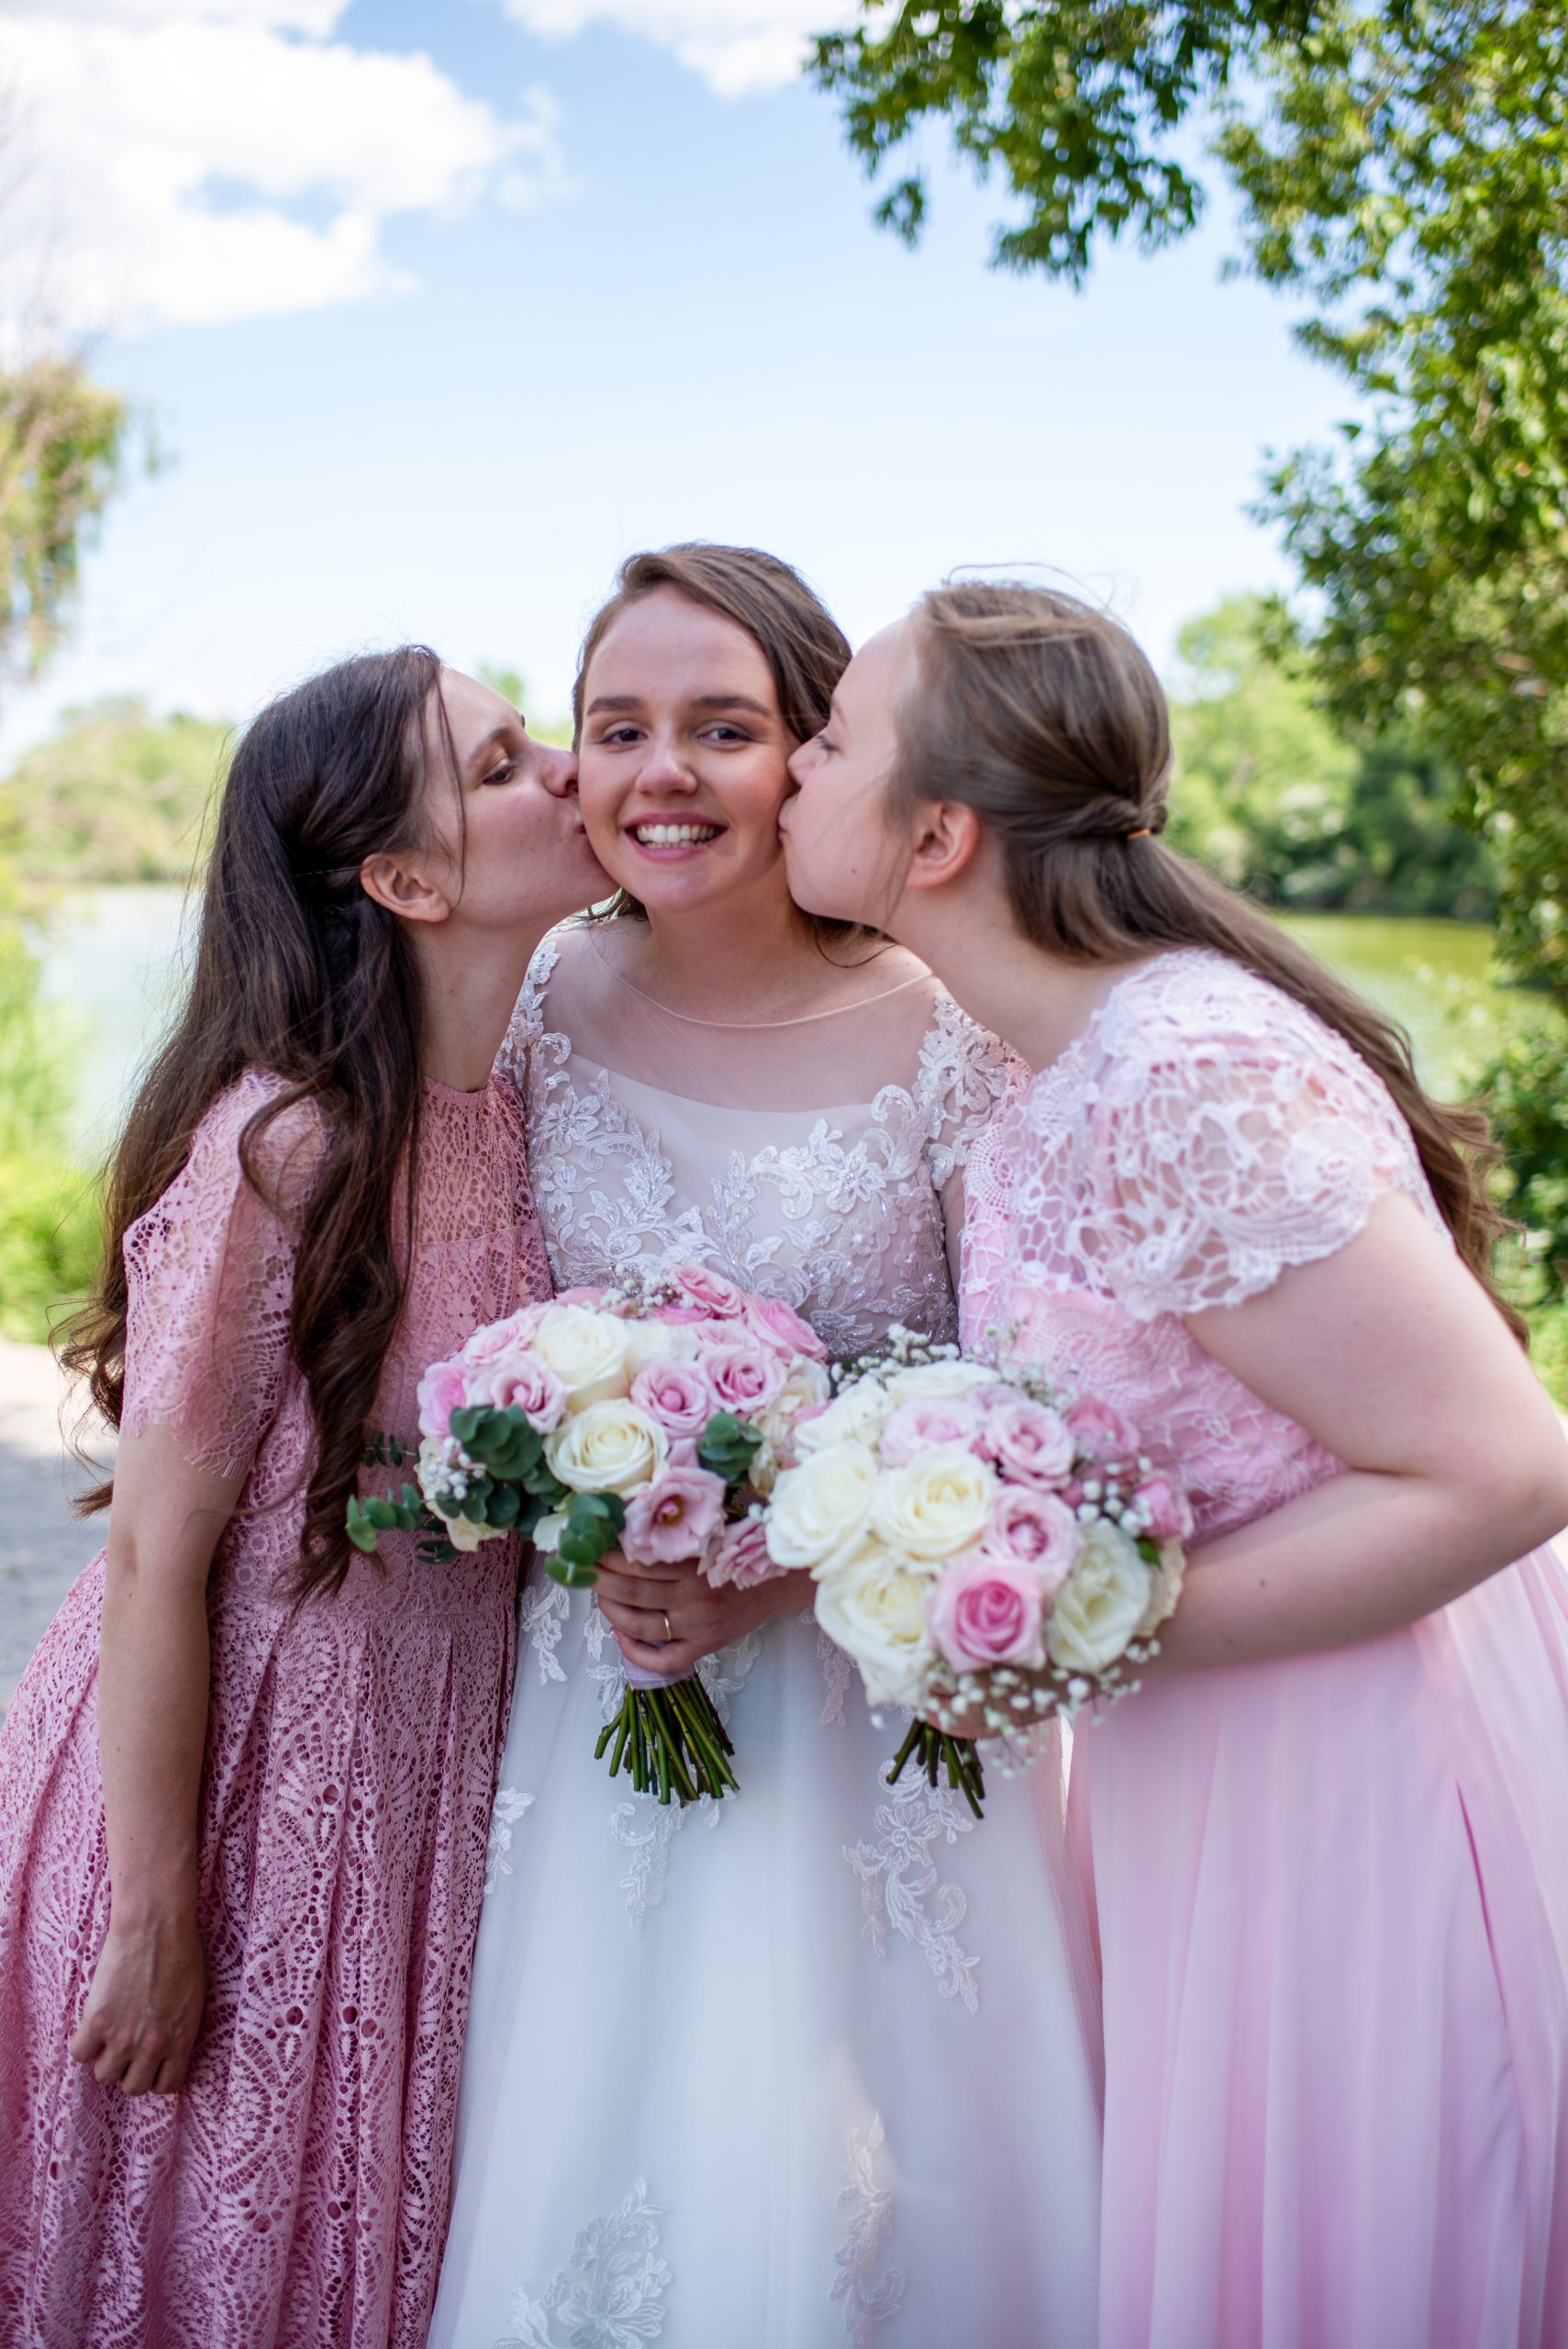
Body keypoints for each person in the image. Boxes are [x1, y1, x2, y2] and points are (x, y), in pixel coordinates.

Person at [780, 577, 1568, 2349]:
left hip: (1347, 1769)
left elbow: (1507, 1470)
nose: (796, 771)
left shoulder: (1174, 1075)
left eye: (827, 740)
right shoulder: (1040, 1059)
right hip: (1200, 1765)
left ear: (937, 837)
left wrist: (1070, 1626)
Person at [429, 546, 1103, 2349]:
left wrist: (790, 1565)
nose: (662, 771)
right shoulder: (527, 1010)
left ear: (810, 752)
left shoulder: (951, 1032)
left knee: (889, 2192)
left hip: (872, 1700)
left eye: (722, 728)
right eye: (615, 727)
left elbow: (1031, 1406)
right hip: (601, 1689)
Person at [0, 649, 605, 2349]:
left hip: (432, 1778)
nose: (569, 769)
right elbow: (150, 1554)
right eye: (504, 764)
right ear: (405, 881)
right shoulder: (287, 1146)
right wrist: (153, 1909)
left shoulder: (517, 1109)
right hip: (242, 1779)